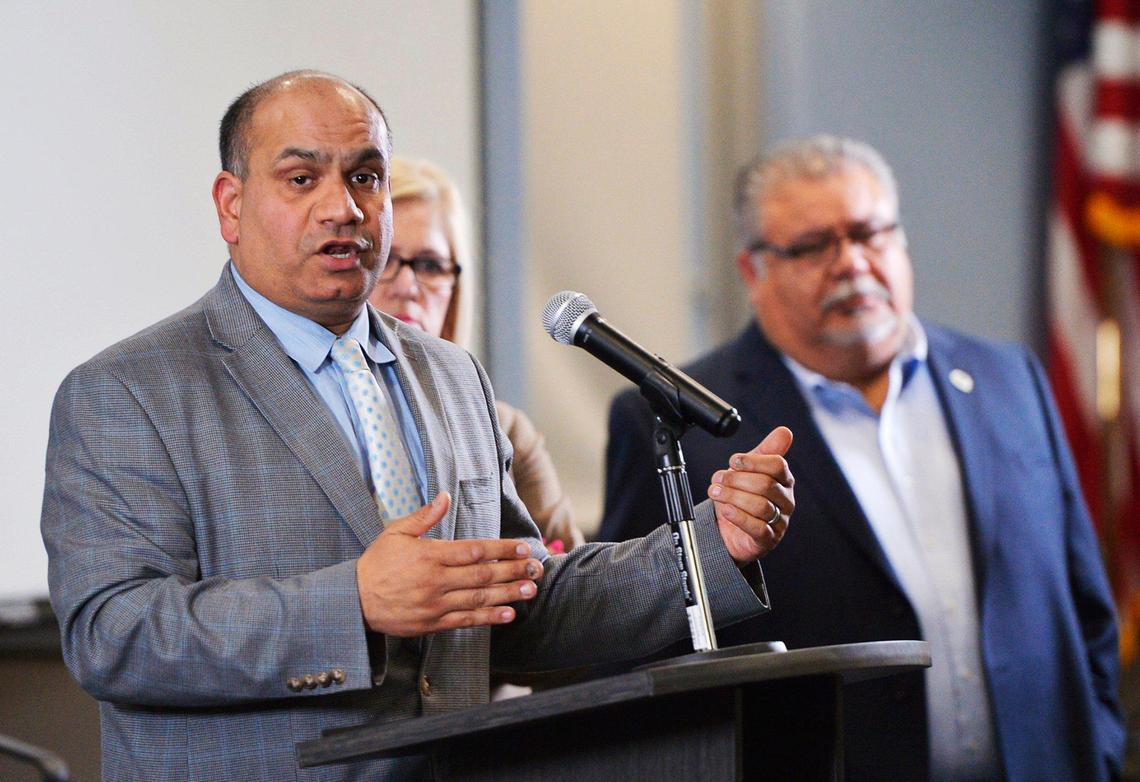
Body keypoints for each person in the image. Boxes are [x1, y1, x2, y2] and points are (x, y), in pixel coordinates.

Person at [40, 70, 794, 782]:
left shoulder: (450, 375)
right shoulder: (128, 391)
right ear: (230, 204)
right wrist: (354, 604)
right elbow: (114, 633)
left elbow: (515, 602)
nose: (342, 207)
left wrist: (704, 550)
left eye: (364, 177)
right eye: (302, 179)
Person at [599, 135, 1125, 781]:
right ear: (751, 272)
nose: (852, 263)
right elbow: (628, 655)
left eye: (871, 233)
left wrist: (1099, 746)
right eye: (814, 246)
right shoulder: (679, 425)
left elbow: (1084, 604)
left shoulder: (1008, 379)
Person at [370, 157, 584, 553]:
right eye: (386, 260)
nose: (407, 285)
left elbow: (569, 576)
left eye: (430, 265)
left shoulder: (504, 430)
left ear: (455, 289)